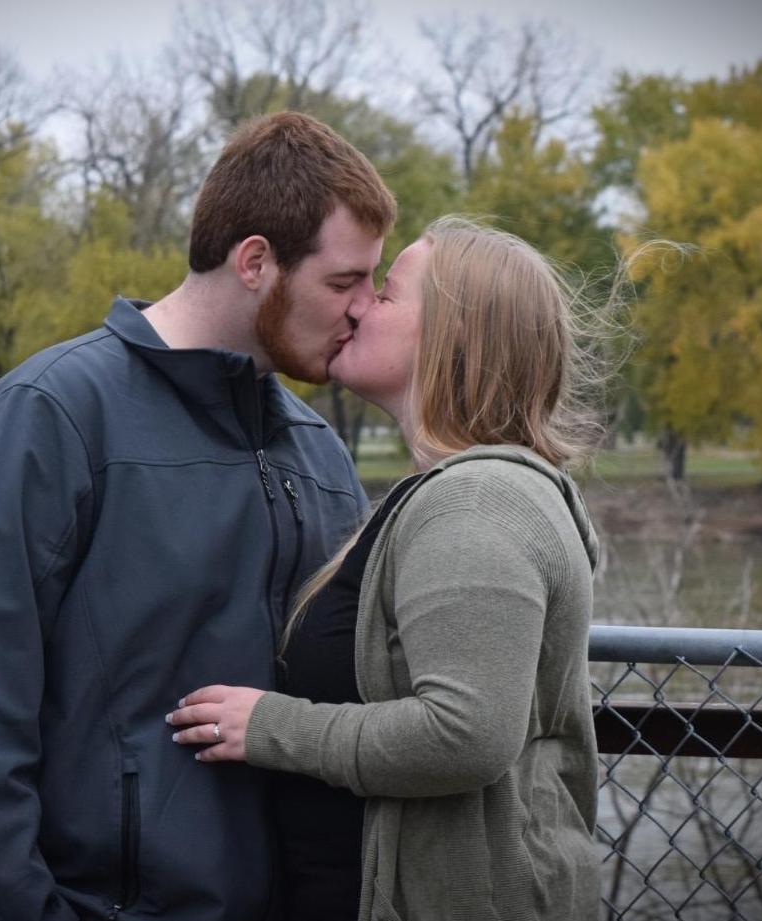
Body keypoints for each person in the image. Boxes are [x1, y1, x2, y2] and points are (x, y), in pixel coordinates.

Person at [0, 112, 396, 921]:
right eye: (344, 282)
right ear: (255, 262)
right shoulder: (50, 415)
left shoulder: (319, 454)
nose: (364, 309)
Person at [168, 217, 603, 921]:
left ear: (454, 337)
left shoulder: (477, 500)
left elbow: (466, 735)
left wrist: (273, 728)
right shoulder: (468, 492)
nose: (359, 306)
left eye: (387, 293)